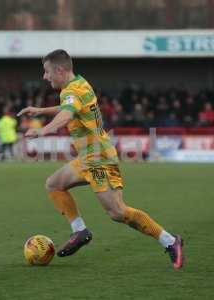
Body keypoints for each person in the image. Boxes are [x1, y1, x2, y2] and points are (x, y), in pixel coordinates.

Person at [17, 49, 184, 270]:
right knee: (54, 184)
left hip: (98, 159)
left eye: (47, 71)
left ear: (59, 69)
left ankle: (170, 241)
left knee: (117, 212)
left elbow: (66, 114)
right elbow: (69, 107)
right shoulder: (78, 85)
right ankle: (80, 231)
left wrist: (42, 131)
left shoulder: (72, 91)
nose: (45, 77)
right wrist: (41, 110)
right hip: (88, 156)